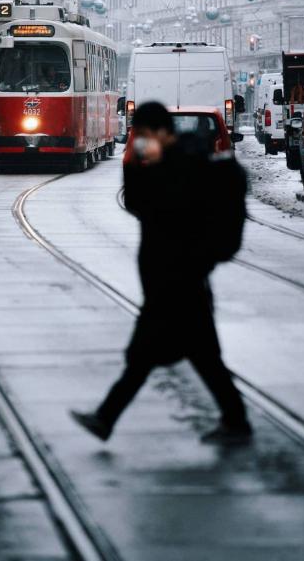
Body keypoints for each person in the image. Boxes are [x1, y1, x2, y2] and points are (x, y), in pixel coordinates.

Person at [70, 101, 252, 444]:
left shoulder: (184, 166)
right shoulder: (163, 162)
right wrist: (141, 166)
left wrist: (149, 168)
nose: (139, 140)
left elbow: (162, 210)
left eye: (143, 134)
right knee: (200, 356)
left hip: (177, 278)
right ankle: (235, 419)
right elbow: (137, 203)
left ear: (161, 133)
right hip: (176, 279)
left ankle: (105, 418)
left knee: (145, 357)